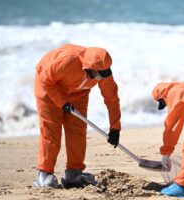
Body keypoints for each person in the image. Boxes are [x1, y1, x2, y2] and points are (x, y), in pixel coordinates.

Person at [33, 44, 121, 188]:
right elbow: (45, 80)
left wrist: (115, 128)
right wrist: (62, 102)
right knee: (51, 131)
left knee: (78, 131)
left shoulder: (103, 70)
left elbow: (111, 98)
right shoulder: (68, 61)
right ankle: (44, 173)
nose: (99, 78)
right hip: (49, 89)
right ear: (87, 68)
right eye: (95, 75)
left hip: (78, 93)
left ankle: (74, 172)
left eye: (102, 75)